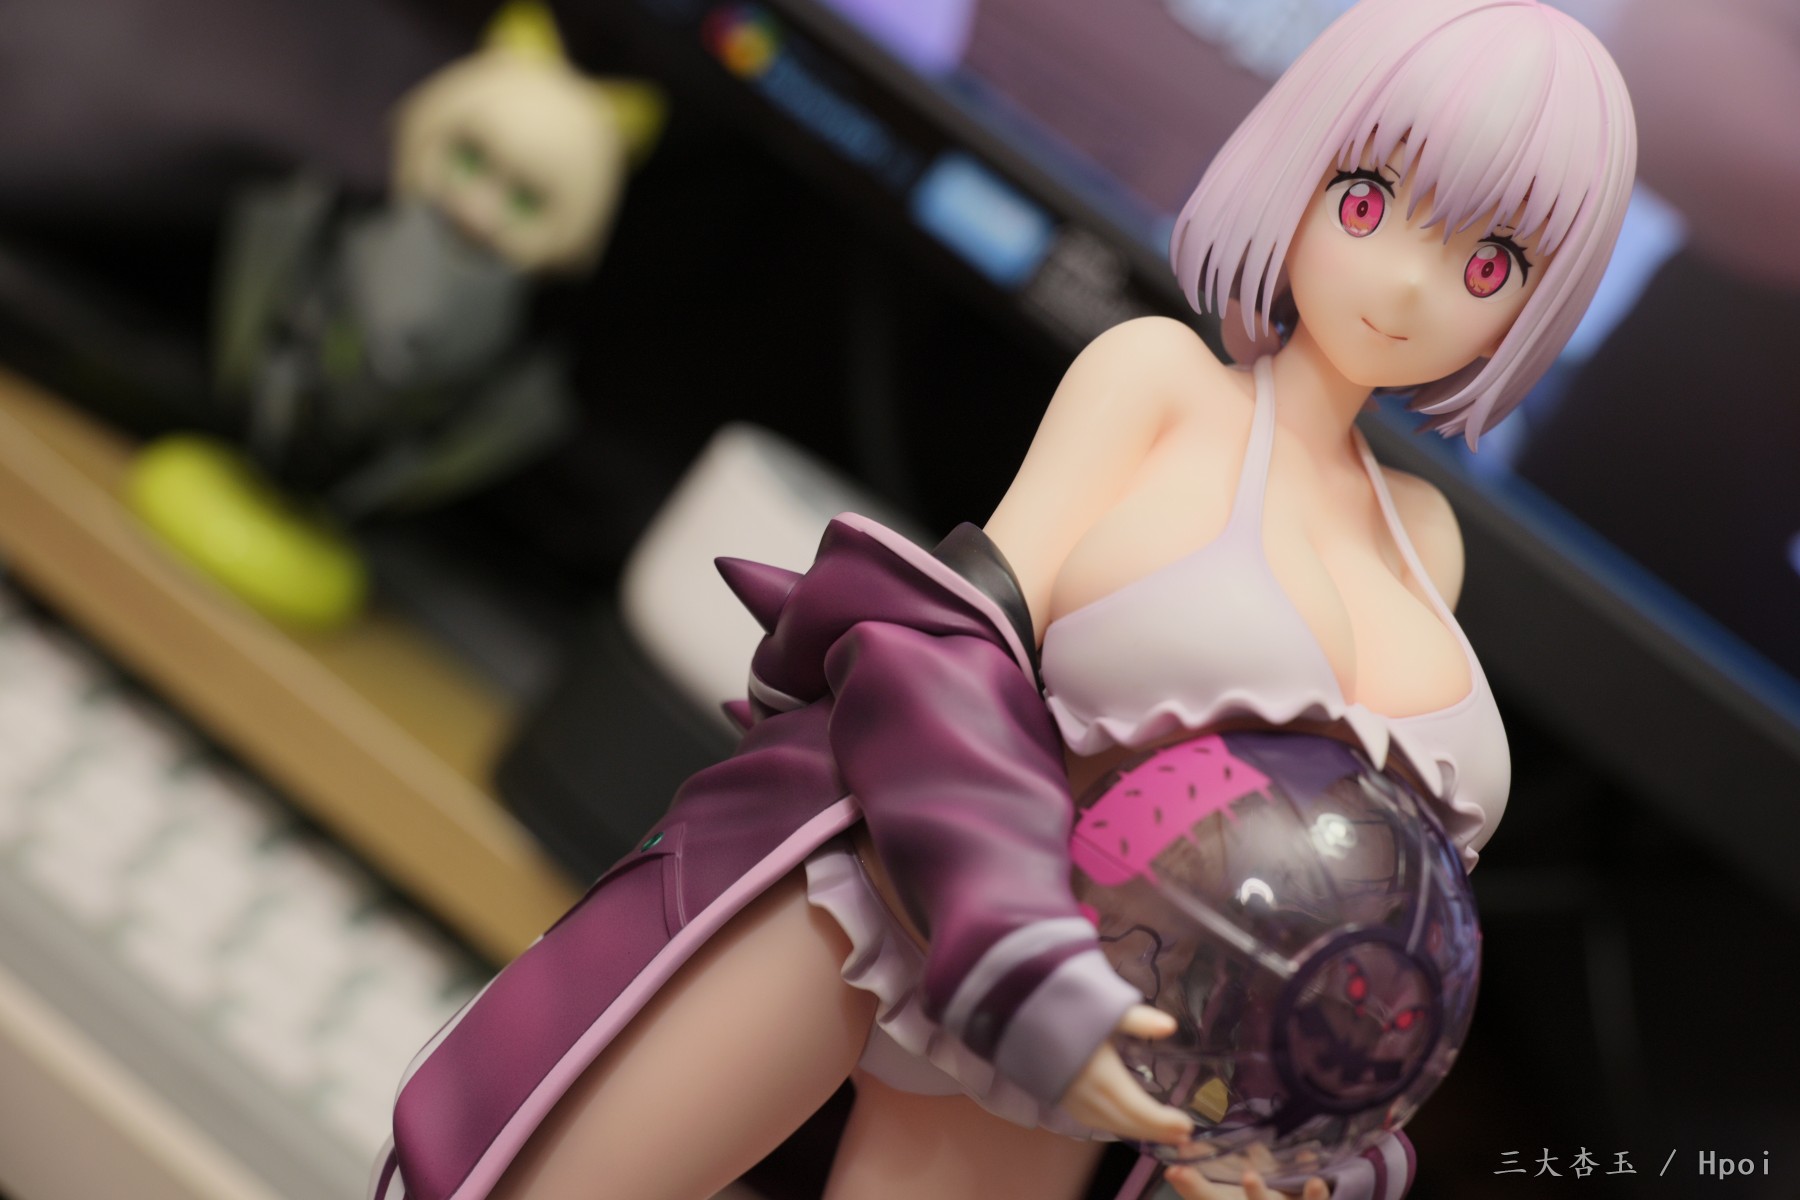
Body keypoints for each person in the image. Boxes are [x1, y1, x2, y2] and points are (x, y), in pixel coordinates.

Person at [371, 2, 1636, 1198]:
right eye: (1368, 200)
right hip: (893, 897)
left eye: (1490, 261)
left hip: (1107, 1042)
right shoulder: (1159, 382)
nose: (1407, 283)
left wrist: (1306, 1118)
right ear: (1299, 170)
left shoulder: (1425, 540)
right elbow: (940, 644)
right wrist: (1018, 946)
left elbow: (1362, 894)